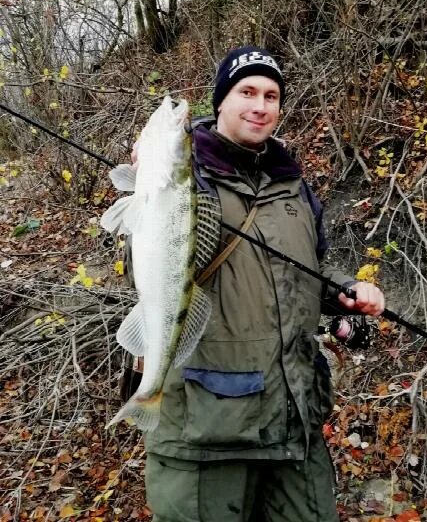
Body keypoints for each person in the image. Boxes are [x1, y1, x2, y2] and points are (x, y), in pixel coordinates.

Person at [129, 46, 384, 522]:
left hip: (293, 423)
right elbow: (145, 261)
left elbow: (307, 267)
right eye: (246, 91)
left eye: (271, 95)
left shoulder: (293, 185)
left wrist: (345, 290)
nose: (260, 105)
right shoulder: (184, 177)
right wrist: (151, 178)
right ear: (220, 101)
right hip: (207, 433)